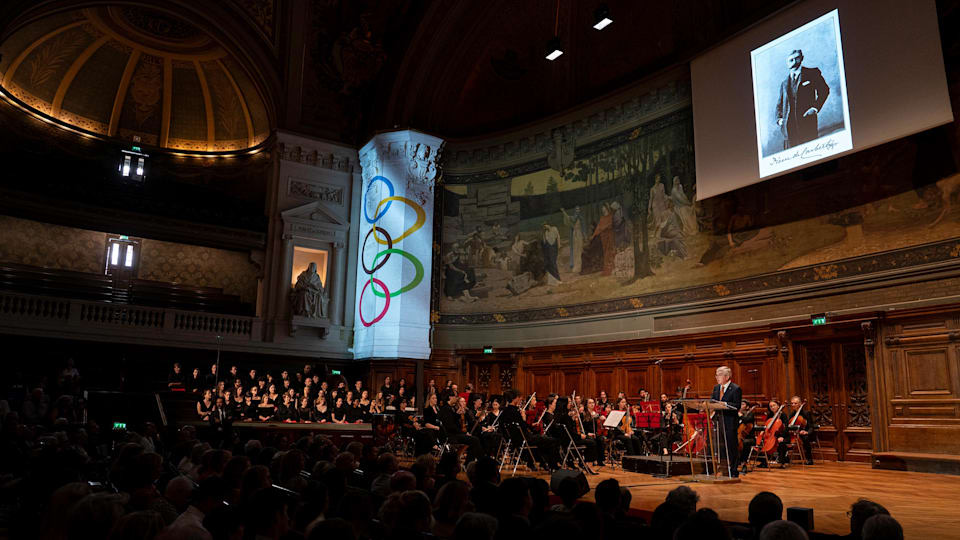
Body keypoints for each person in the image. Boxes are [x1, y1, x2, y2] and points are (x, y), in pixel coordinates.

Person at [775, 48, 830, 150]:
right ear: (787, 63)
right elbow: (779, 104)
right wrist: (779, 119)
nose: (794, 62)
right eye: (791, 60)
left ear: (802, 58)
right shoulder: (784, 83)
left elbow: (824, 91)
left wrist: (814, 108)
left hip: (807, 124)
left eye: (797, 59)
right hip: (789, 129)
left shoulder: (812, 73)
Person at [711, 365, 742, 477]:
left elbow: (737, 405)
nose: (716, 377)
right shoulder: (716, 388)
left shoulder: (735, 388)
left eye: (719, 375)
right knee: (721, 446)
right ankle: (723, 469)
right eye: (716, 375)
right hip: (718, 421)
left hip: (729, 421)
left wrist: (725, 404)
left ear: (727, 376)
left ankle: (733, 470)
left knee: (731, 446)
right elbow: (712, 401)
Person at [785, 395, 815, 465]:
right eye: (792, 403)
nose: (793, 405)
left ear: (800, 404)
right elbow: (789, 425)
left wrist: (806, 432)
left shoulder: (806, 413)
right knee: (784, 438)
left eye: (795, 403)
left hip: (805, 433)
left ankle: (809, 459)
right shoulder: (792, 414)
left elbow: (811, 426)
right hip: (794, 433)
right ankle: (785, 457)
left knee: (805, 438)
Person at [560, 206, 585, 273]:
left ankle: (581, 266)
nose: (577, 210)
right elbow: (568, 219)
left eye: (578, 209)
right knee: (575, 250)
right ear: (575, 210)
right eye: (576, 209)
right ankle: (576, 266)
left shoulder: (581, 218)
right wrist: (563, 212)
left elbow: (583, 227)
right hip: (575, 234)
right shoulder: (573, 218)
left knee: (580, 249)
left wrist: (584, 236)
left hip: (579, 234)